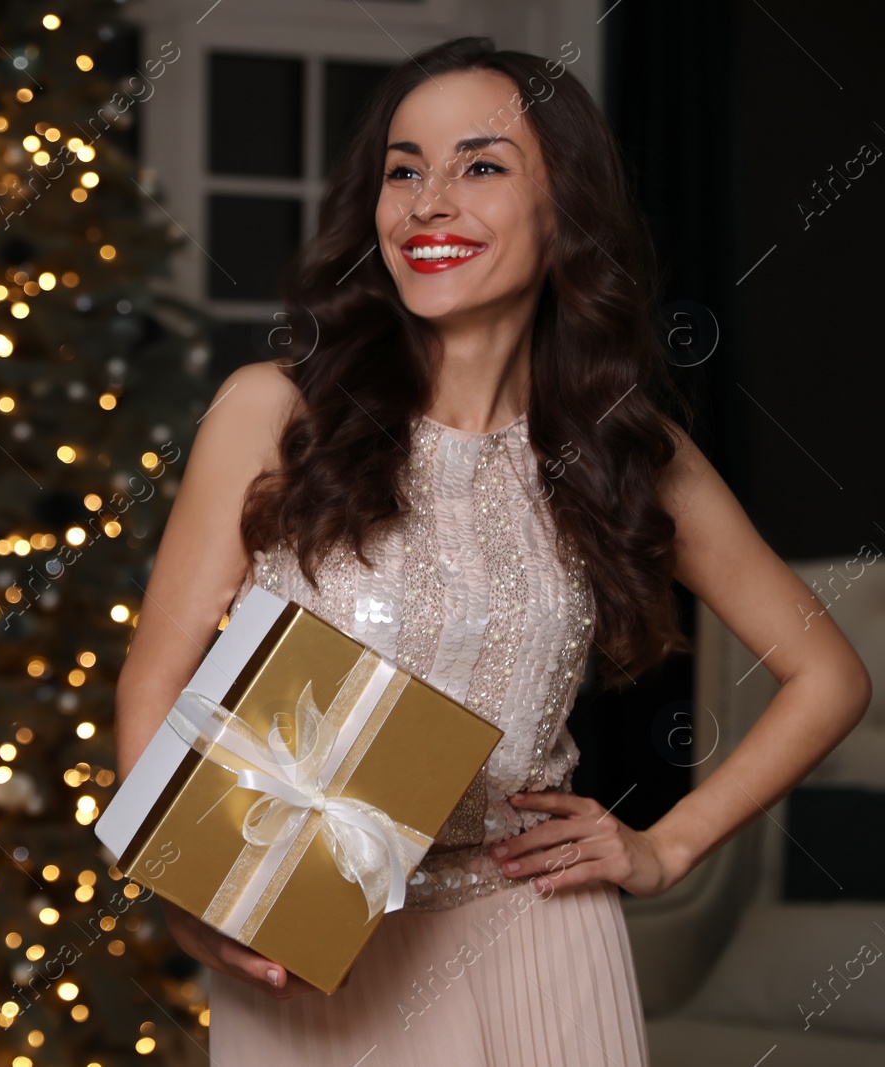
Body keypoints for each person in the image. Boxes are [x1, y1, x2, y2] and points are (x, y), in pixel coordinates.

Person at [112, 36, 871, 1066]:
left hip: (540, 932)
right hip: (312, 953)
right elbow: (156, 675)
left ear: (564, 207)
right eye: (402, 169)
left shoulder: (626, 448)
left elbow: (827, 674)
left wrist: (666, 846)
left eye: (480, 165)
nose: (428, 202)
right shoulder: (272, 413)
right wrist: (187, 891)